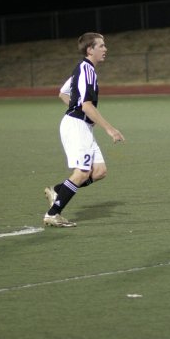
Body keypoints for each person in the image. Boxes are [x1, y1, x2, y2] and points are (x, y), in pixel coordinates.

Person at [43, 32, 125, 227]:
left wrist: (79, 112)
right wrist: (109, 129)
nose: (105, 49)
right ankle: (53, 214)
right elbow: (87, 105)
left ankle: (58, 190)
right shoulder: (86, 70)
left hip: (80, 125)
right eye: (101, 46)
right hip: (77, 126)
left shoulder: (83, 69)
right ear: (90, 49)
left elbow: (63, 93)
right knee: (82, 172)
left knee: (98, 171)